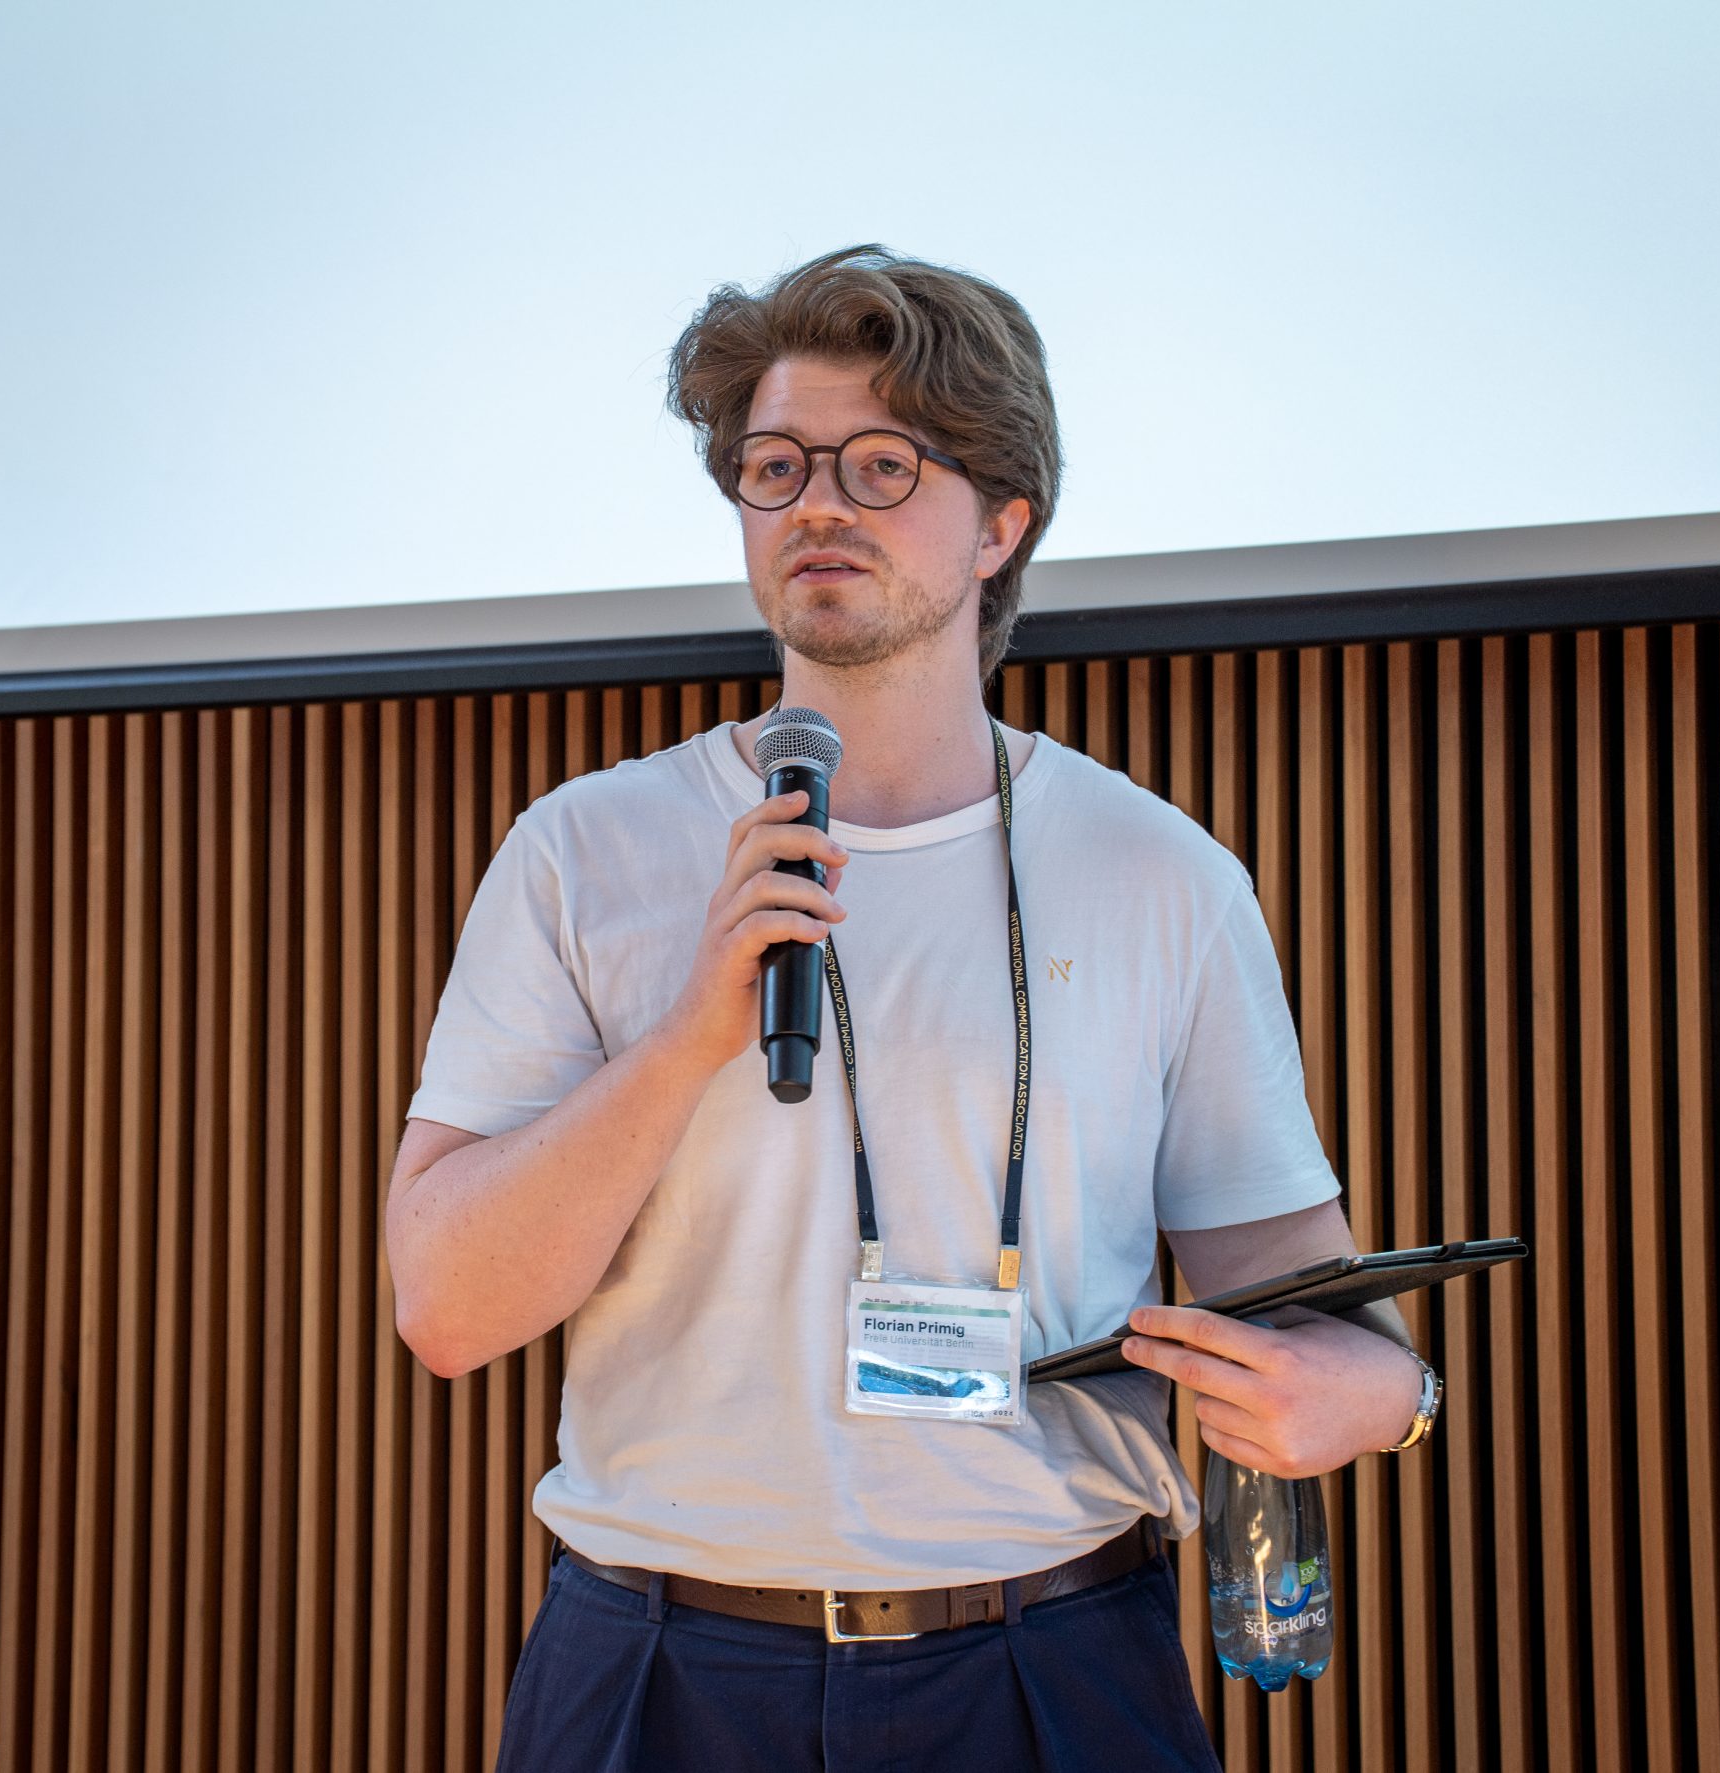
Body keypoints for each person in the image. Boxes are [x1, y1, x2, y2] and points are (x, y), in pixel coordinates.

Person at [385, 245, 1436, 1773]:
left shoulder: (1163, 875)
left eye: (883, 465)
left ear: (1003, 522)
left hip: (1053, 1662)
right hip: (664, 1662)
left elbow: (1294, 1288)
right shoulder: (584, 851)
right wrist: (691, 1032)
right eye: (776, 464)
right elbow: (448, 1307)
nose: (819, 502)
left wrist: (1387, 1392)